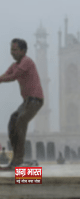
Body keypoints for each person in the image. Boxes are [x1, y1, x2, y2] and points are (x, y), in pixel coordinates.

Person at [0, 39, 44, 169]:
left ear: (23, 51)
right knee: (13, 121)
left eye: (15, 50)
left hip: (36, 99)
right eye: (11, 50)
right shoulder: (15, 65)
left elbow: (13, 76)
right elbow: (6, 75)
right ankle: (16, 158)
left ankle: (18, 161)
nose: (12, 53)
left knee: (20, 121)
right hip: (27, 101)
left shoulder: (26, 62)